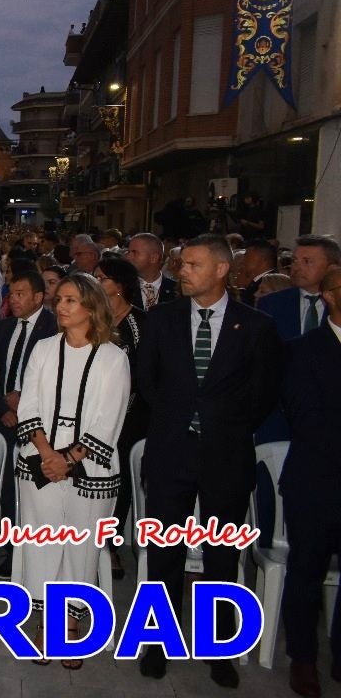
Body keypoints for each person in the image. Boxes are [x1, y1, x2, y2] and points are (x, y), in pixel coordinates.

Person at [135, 234, 282, 686]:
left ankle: (220, 649)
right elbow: (147, 382)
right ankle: (158, 641)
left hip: (225, 456)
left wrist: (219, 423)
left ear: (221, 270)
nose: (183, 272)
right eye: (182, 265)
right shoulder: (160, 320)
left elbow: (263, 395)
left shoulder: (255, 326)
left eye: (194, 265)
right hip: (170, 452)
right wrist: (179, 420)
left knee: (222, 558)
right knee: (164, 555)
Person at [14, 273, 130, 668]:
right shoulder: (44, 349)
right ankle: (46, 622)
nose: (61, 307)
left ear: (91, 307)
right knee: (42, 542)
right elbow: (27, 406)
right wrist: (48, 453)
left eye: (70, 301)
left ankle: (72, 624)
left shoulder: (115, 357)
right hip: (39, 458)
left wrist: (68, 459)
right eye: (58, 299)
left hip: (92, 466)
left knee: (81, 546)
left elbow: (108, 421)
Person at [281, 265, 341, 697]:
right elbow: (307, 421)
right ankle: (303, 658)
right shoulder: (305, 351)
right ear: (331, 297)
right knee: (306, 571)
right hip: (317, 481)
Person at [0, 270, 58, 577]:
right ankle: (10, 546)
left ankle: (35, 546)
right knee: (6, 486)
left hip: (40, 420)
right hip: (5, 417)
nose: (12, 300)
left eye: (20, 294)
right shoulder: (3, 327)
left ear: (38, 297)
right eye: (11, 294)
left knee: (34, 484)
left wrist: (25, 403)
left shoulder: (54, 328)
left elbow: (54, 378)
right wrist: (4, 406)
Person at [93, 256, 148, 579]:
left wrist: (120, 409)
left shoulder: (140, 323)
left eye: (102, 277)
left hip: (130, 417)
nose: (97, 282)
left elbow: (143, 375)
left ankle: (110, 545)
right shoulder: (94, 319)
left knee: (120, 481)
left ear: (120, 285)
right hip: (91, 413)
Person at [258, 234, 341, 341]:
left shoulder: (337, 304)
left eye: (307, 261)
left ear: (331, 267)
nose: (296, 267)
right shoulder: (271, 304)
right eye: (294, 260)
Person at [126, 232, 178, 310]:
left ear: (154, 258)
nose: (128, 257)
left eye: (134, 252)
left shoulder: (177, 290)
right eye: (128, 252)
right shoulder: (122, 288)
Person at [238, 238, 278, 306]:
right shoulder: (256, 282)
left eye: (247, 255)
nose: (243, 259)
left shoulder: (271, 282)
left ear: (262, 258)